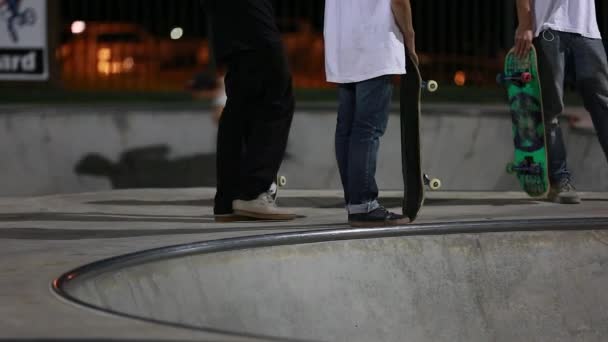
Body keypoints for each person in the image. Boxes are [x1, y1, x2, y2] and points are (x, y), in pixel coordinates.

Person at [324, 0, 417, 227]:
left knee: (346, 128)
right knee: (367, 128)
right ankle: (363, 204)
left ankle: (355, 202)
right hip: (375, 42)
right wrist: (410, 36)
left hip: (342, 43)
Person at [205, 0, 296, 221]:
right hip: (252, 17)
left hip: (228, 21)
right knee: (276, 96)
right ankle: (254, 192)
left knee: (241, 103)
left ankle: (228, 199)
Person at [514, 0, 608, 204]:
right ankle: (559, 181)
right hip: (549, 27)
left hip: (587, 29)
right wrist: (525, 23)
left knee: (603, 104)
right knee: (551, 108)